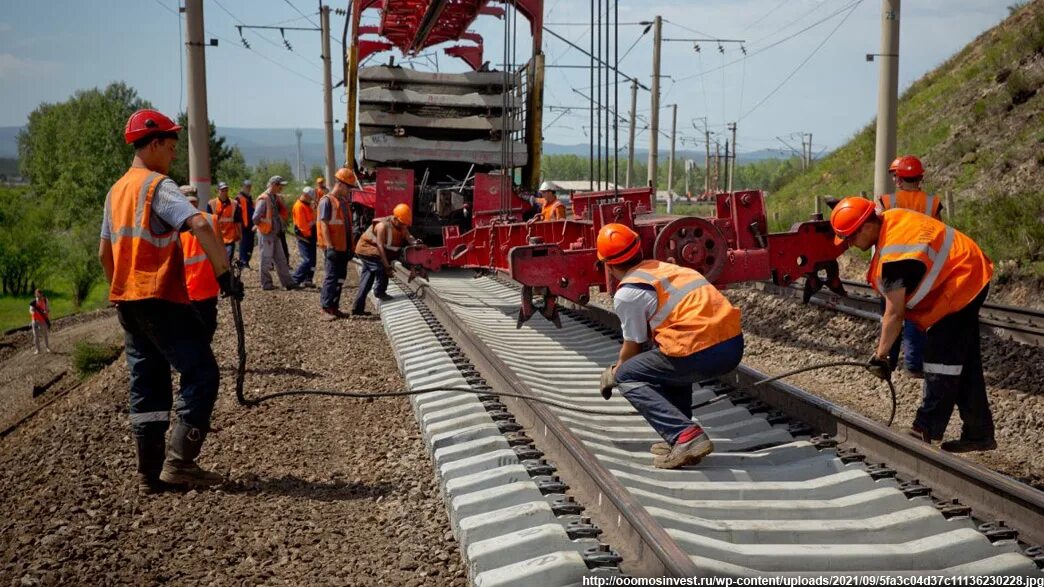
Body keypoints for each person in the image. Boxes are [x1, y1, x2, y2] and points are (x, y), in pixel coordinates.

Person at [99, 109, 242, 493]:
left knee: (148, 381)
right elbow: (197, 223)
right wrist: (224, 273)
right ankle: (180, 462)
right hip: (159, 295)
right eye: (172, 146)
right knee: (202, 372)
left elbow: (104, 253)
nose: (174, 154)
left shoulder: (116, 191)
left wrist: (119, 288)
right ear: (156, 143)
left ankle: (149, 474)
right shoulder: (158, 186)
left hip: (128, 301)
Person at [830, 197, 995, 452]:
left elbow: (894, 314)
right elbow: (891, 308)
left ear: (865, 227)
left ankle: (925, 428)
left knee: (941, 360)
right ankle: (978, 432)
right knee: (964, 360)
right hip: (966, 270)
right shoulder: (891, 223)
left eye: (850, 238)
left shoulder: (895, 256)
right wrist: (889, 357)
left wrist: (881, 355)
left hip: (962, 281)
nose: (850, 244)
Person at [596, 223, 744, 469]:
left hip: (700, 349)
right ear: (638, 250)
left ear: (608, 265)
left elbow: (633, 346)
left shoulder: (628, 292)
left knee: (628, 375)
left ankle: (686, 436)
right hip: (732, 344)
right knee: (666, 356)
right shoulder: (665, 269)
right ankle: (677, 432)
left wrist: (615, 371)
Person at [352, 203, 417, 316]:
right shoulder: (382, 226)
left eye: (405, 224)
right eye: (402, 223)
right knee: (380, 268)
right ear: (395, 218)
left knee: (367, 280)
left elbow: (408, 236)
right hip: (366, 250)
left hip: (374, 252)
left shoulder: (401, 225)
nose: (403, 226)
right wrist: (387, 266)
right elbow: (380, 247)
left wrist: (415, 243)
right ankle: (380, 291)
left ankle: (358, 308)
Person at [179, 186, 222, 342]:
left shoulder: (211, 220)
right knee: (199, 328)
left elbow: (220, 254)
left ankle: (199, 359)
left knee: (203, 327)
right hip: (190, 290)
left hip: (199, 288)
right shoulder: (172, 226)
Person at [318, 168, 357, 317]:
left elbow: (347, 227)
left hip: (343, 247)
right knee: (331, 277)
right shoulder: (326, 201)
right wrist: (330, 247)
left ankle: (334, 306)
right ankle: (326, 307)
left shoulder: (343, 202)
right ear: (340, 184)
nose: (349, 191)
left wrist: (350, 247)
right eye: (348, 187)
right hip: (333, 247)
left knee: (340, 278)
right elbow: (324, 224)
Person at [252, 176, 298, 291]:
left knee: (281, 259)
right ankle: (266, 284)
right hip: (266, 234)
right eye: (280, 185)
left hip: (274, 234)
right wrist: (268, 223)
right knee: (266, 259)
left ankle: (288, 283)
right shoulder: (264, 199)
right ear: (273, 185)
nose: (281, 188)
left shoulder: (274, 197)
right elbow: (255, 218)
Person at [291, 186, 318, 288]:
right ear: (306, 196)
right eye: (310, 198)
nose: (311, 200)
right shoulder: (299, 206)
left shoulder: (307, 205)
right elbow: (302, 226)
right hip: (305, 236)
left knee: (312, 261)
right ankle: (295, 280)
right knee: (307, 260)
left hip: (310, 236)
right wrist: (309, 235)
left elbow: (312, 218)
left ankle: (308, 279)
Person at [207, 181, 241, 262]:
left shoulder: (234, 203)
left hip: (230, 237)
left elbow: (238, 221)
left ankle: (228, 273)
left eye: (226, 190)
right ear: (218, 191)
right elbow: (208, 220)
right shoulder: (211, 203)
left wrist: (240, 235)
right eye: (222, 190)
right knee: (218, 260)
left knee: (227, 259)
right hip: (216, 237)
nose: (225, 193)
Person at [235, 180, 255, 268]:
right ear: (243, 187)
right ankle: (243, 262)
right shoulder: (238, 198)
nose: (249, 188)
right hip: (243, 226)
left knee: (250, 245)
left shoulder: (250, 198)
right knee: (244, 244)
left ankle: (246, 261)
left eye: (250, 186)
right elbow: (237, 213)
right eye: (247, 186)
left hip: (251, 226)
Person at [29, 289, 51, 354]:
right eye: (37, 294)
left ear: (42, 294)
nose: (39, 296)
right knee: (35, 336)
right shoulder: (33, 302)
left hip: (43, 320)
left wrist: (46, 311)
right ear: (35, 294)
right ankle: (38, 350)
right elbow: (30, 310)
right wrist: (33, 312)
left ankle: (47, 348)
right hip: (35, 320)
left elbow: (48, 309)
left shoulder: (45, 300)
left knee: (45, 335)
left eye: (40, 294)